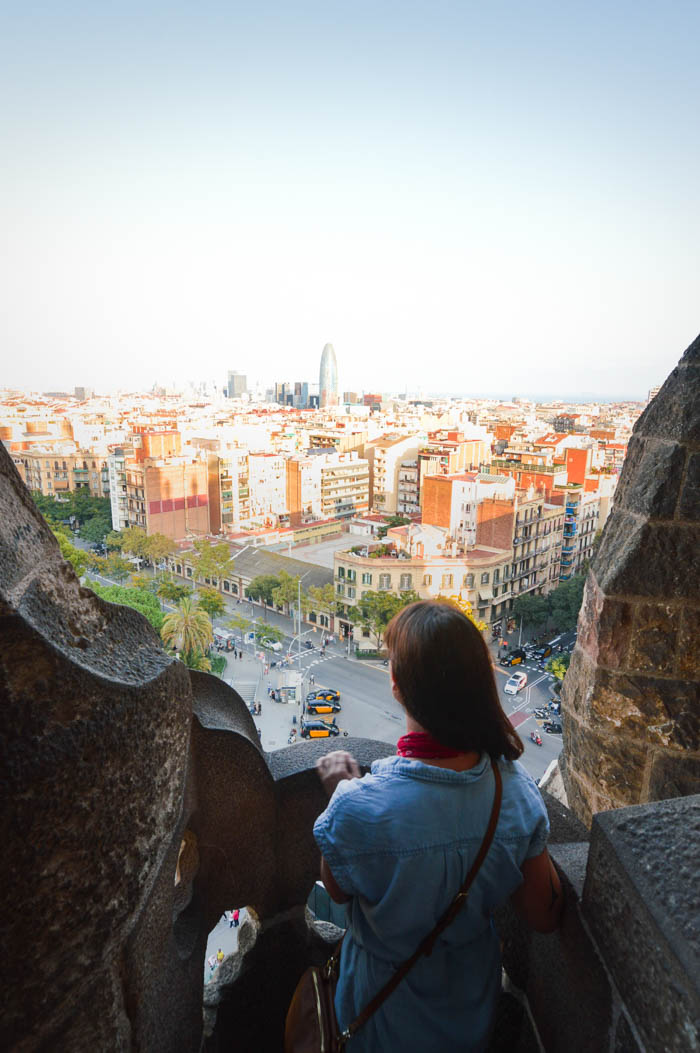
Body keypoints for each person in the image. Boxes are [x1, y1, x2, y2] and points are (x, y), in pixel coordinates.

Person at [313, 600, 562, 1053]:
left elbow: (336, 890)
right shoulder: (516, 795)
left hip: (378, 1017)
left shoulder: (357, 807)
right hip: (469, 1011)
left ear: (397, 687)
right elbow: (543, 913)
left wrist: (341, 792)